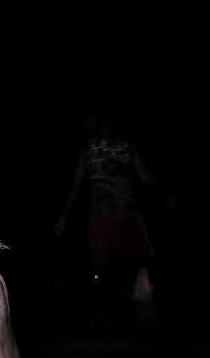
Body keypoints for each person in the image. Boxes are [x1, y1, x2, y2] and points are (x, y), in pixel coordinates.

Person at [56, 116, 161, 286]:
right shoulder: (125, 145)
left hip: (104, 213)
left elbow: (76, 185)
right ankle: (134, 289)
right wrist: (163, 197)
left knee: (101, 263)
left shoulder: (89, 149)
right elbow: (145, 178)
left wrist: (63, 216)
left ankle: (113, 291)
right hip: (123, 211)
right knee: (136, 258)